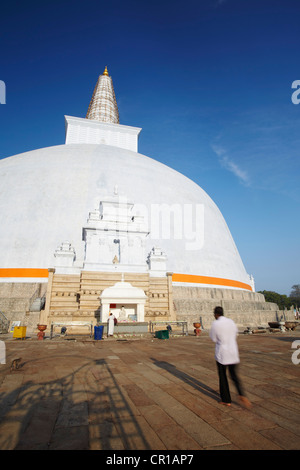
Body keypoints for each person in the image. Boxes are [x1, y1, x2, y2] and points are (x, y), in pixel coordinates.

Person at [209, 306, 251, 409]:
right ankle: (241, 394)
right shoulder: (231, 322)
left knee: (223, 376)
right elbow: (236, 334)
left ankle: (226, 400)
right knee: (234, 376)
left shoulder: (215, 324)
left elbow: (213, 338)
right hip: (233, 352)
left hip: (222, 354)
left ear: (215, 314)